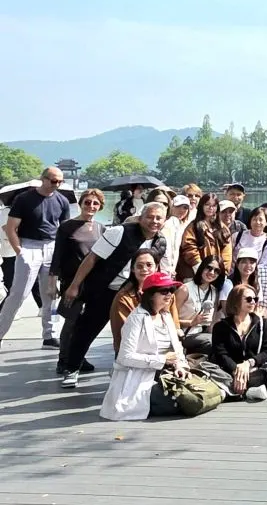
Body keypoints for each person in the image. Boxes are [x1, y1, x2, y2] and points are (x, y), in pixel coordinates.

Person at [59, 202, 168, 388]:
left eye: (159, 218)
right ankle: (71, 368)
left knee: (132, 332)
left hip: (134, 293)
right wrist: (74, 286)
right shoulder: (119, 232)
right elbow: (92, 258)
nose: (154, 221)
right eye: (150, 217)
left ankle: (124, 369)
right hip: (105, 289)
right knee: (86, 329)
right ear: (140, 217)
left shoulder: (161, 242)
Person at [99, 272, 190, 421]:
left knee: (194, 394)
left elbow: (177, 348)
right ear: (151, 295)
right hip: (141, 378)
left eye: (171, 290)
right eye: (164, 291)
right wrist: (162, 359)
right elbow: (125, 357)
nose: (169, 294)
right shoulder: (136, 319)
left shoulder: (166, 316)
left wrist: (180, 366)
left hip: (167, 372)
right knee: (179, 402)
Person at [0, 166, 71, 350]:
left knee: (51, 294)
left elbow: (64, 231)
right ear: (43, 179)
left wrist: (62, 255)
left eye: (60, 181)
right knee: (18, 294)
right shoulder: (24, 199)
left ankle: (50, 336)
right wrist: (19, 251)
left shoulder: (62, 201)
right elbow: (10, 228)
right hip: (28, 245)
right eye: (53, 181)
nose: (57, 184)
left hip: (52, 246)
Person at [49, 188, 106, 374]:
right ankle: (63, 359)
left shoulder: (101, 228)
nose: (91, 206)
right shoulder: (66, 227)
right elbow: (57, 256)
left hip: (94, 282)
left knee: (86, 323)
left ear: (100, 206)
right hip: (71, 281)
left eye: (95, 203)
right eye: (87, 202)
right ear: (81, 204)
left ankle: (78, 357)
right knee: (72, 321)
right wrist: (52, 283)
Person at [212, 283, 267, 402]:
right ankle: (248, 388)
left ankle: (231, 390)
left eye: (255, 299)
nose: (253, 302)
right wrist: (236, 370)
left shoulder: (263, 324)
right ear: (236, 301)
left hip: (254, 369)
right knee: (207, 367)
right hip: (229, 371)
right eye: (249, 299)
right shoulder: (221, 326)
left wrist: (248, 364)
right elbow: (220, 354)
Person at [109, 248, 180, 353]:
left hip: (167, 349)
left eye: (149, 265)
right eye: (139, 266)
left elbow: (175, 326)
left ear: (157, 267)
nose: (144, 269)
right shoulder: (123, 298)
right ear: (132, 269)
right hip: (136, 352)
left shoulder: (168, 293)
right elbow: (125, 336)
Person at [178, 193, 231, 281]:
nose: (210, 208)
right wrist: (199, 267)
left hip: (216, 273)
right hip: (194, 273)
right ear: (201, 206)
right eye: (207, 204)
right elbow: (189, 247)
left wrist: (222, 271)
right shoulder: (193, 226)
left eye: (214, 205)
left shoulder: (223, 228)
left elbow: (227, 253)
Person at [177, 255, 221, 354]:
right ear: (202, 267)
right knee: (211, 341)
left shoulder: (214, 292)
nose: (211, 272)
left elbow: (212, 323)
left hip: (203, 335)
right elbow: (169, 319)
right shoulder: (185, 289)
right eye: (209, 268)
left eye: (216, 271)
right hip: (184, 335)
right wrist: (191, 322)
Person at [160, 195, 191, 280]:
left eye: (185, 208)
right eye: (178, 206)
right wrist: (168, 270)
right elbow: (168, 249)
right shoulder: (170, 223)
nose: (181, 210)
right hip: (165, 271)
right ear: (171, 207)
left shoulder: (180, 224)